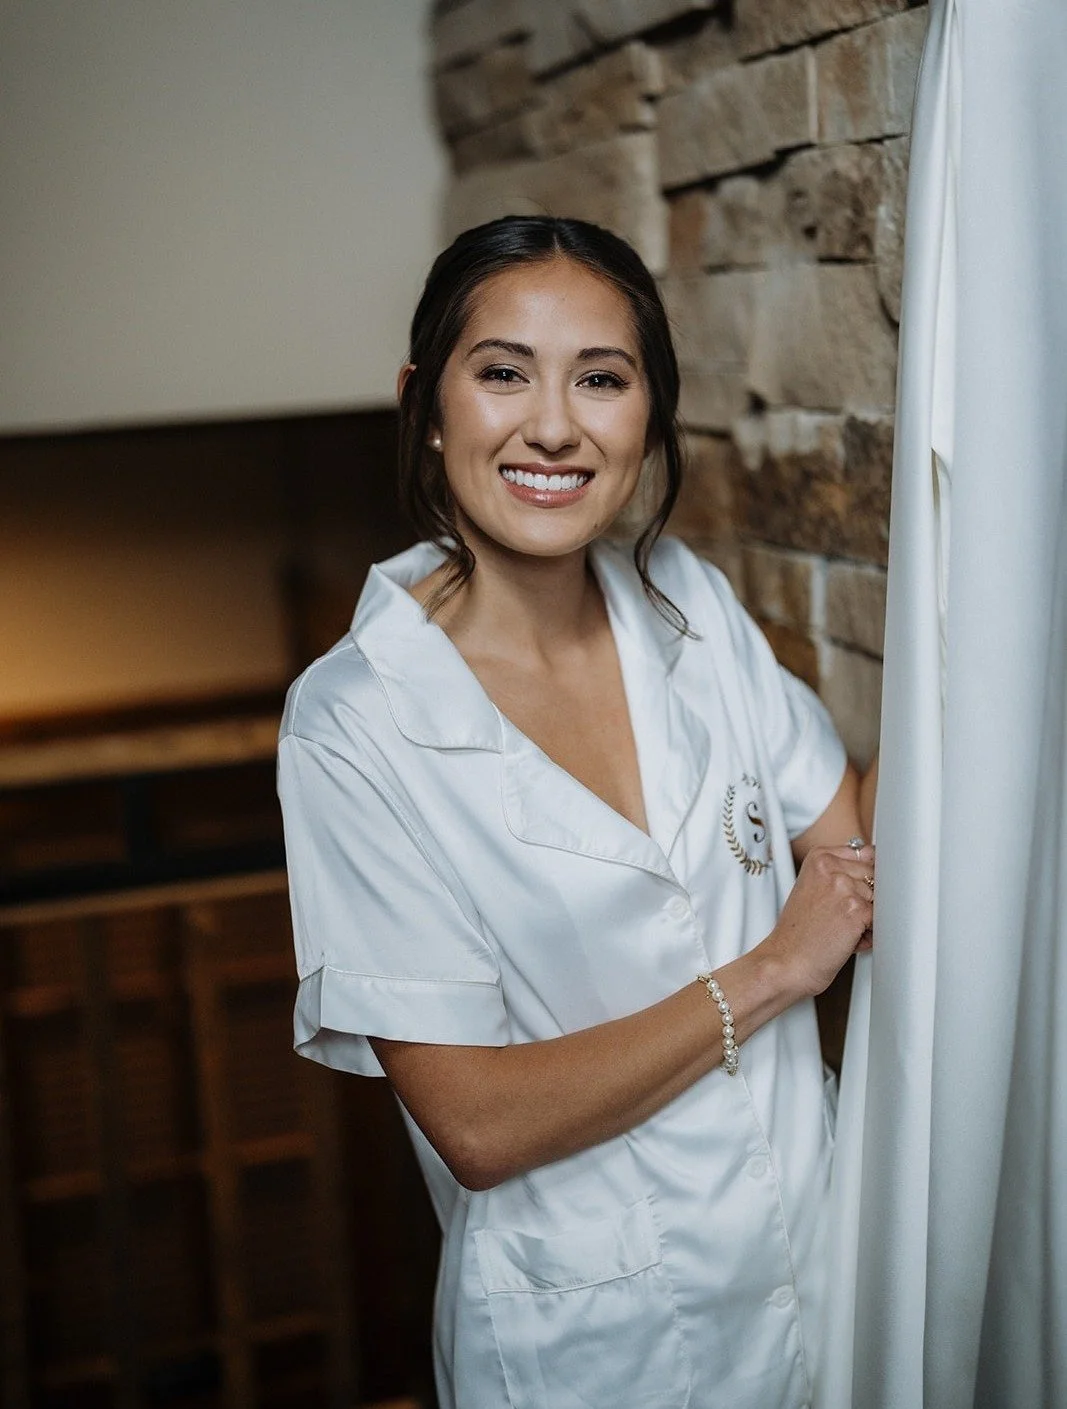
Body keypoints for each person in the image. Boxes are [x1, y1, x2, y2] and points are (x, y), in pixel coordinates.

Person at [277, 215, 878, 1409]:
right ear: (423, 403)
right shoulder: (352, 721)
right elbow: (478, 1122)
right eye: (503, 373)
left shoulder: (686, 603)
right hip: (593, 1349)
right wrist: (771, 970)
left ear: (648, 415)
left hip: (819, 1268)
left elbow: (846, 837)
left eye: (599, 379)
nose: (552, 426)